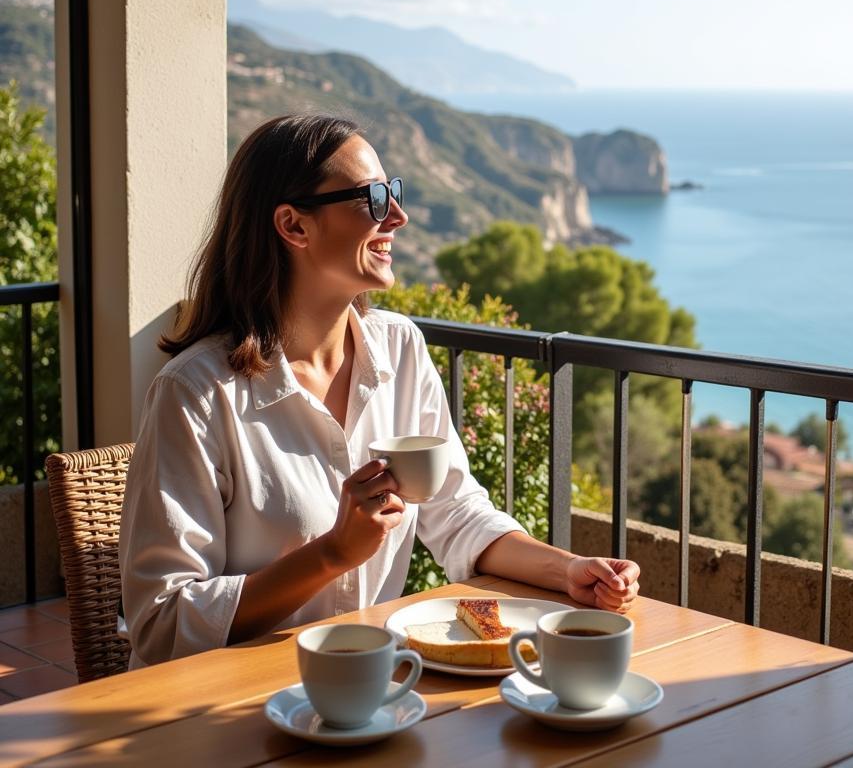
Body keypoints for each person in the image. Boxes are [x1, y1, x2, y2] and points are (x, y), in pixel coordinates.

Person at [119, 113, 640, 666]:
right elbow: (161, 621)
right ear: (294, 226)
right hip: (229, 706)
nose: (399, 215)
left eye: (393, 192)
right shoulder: (198, 394)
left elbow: (456, 510)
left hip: (368, 692)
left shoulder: (400, 351)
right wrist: (333, 554)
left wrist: (570, 571)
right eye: (371, 199)